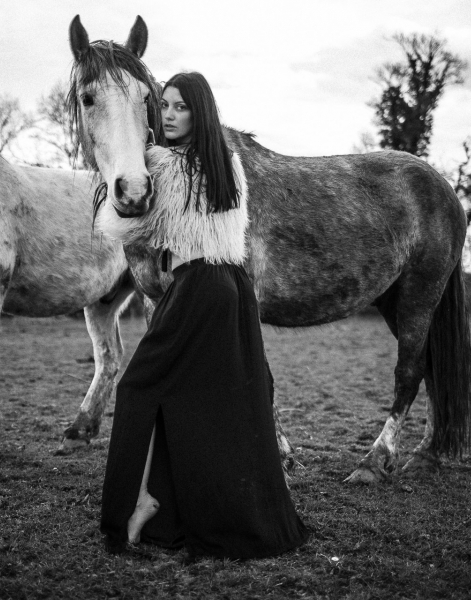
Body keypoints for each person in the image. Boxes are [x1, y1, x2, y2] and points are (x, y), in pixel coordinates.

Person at [97, 72, 309, 560]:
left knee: (139, 388)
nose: (167, 116)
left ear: (199, 113)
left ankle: (141, 500)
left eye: (178, 107)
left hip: (194, 287)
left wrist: (129, 159)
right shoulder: (228, 164)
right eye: (164, 106)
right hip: (233, 290)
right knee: (216, 406)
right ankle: (216, 508)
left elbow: (118, 227)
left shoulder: (163, 165)